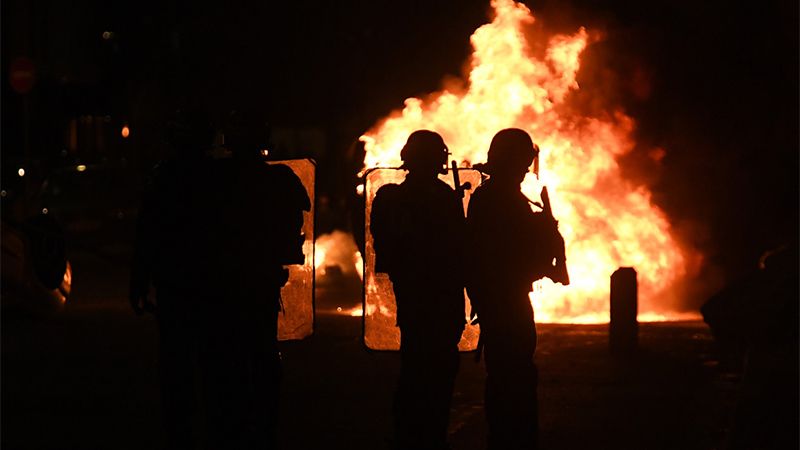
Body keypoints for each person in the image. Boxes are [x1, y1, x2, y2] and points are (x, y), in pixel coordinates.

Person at [466, 128, 567, 450]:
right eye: (522, 163)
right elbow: (507, 253)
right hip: (504, 299)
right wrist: (543, 236)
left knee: (512, 374)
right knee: (512, 377)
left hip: (503, 296)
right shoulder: (498, 200)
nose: (525, 170)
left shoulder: (498, 198)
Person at [370, 130, 466, 450]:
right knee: (436, 370)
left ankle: (409, 435)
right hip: (439, 295)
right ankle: (426, 436)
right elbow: (458, 247)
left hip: (414, 294)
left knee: (415, 366)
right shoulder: (441, 198)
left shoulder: (391, 198)